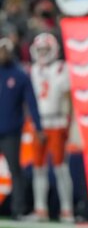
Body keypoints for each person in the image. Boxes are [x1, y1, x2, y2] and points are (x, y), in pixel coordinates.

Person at [28, 33, 74, 222]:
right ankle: (40, 209)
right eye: (40, 50)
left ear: (54, 49)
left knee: (60, 167)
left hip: (57, 122)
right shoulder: (32, 70)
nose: (43, 53)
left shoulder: (62, 68)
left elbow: (68, 97)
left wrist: (69, 123)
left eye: (46, 49)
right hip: (39, 123)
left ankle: (66, 209)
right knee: (38, 168)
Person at [0, 37, 45, 219]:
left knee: (15, 170)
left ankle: (18, 209)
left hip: (11, 130)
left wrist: (39, 128)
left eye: (5, 50)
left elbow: (32, 103)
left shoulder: (19, 75)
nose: (3, 54)